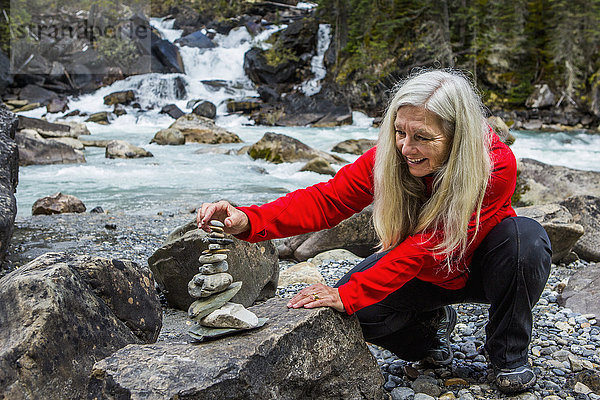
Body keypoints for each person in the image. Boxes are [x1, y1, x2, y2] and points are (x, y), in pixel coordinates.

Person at [197, 69, 552, 394]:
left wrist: (350, 292)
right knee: (357, 314)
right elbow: (327, 200)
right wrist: (249, 219)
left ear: (457, 136)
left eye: (422, 138)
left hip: (485, 267)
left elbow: (432, 242)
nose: (406, 149)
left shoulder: (496, 163)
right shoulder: (391, 156)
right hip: (422, 273)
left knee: (527, 241)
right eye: (400, 132)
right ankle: (430, 334)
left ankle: (507, 352)